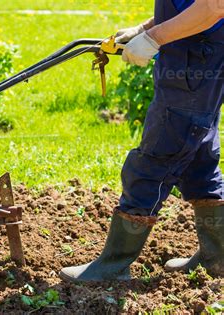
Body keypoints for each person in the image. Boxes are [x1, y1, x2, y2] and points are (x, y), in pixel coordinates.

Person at [59, 0, 224, 281]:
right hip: (193, 62)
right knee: (199, 160)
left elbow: (213, 7)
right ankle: (218, 257)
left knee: (152, 161)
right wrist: (144, 28)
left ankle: (114, 264)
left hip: (195, 63)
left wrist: (154, 38)